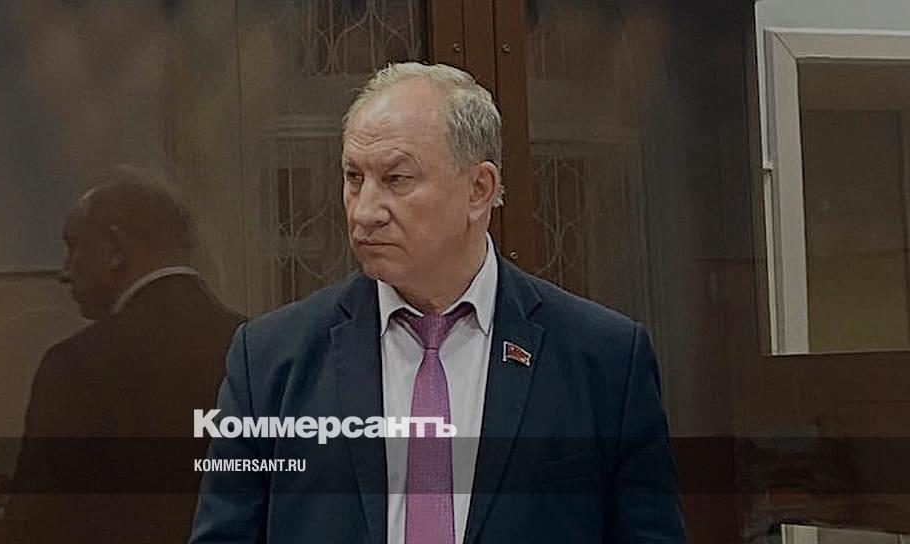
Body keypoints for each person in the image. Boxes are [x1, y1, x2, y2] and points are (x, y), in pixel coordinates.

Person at [190, 62, 685, 543]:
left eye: (396, 179)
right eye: (354, 178)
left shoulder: (604, 360)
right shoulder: (270, 360)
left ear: (478, 190)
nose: (365, 211)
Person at [11, 167, 244, 543]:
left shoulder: (75, 366)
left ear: (115, 249)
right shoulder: (263, 352)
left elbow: (39, 521)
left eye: (74, 247)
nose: (64, 272)